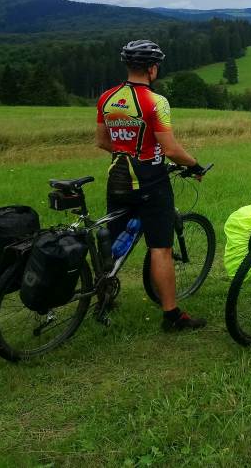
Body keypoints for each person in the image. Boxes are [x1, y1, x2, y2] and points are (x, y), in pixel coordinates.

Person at [96, 39, 207, 332]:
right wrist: (194, 165)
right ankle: (172, 315)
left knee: (112, 243)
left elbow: (102, 141)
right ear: (152, 68)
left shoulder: (107, 97)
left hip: (117, 178)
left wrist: (126, 153)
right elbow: (170, 149)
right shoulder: (155, 102)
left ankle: (102, 296)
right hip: (150, 182)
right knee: (161, 249)